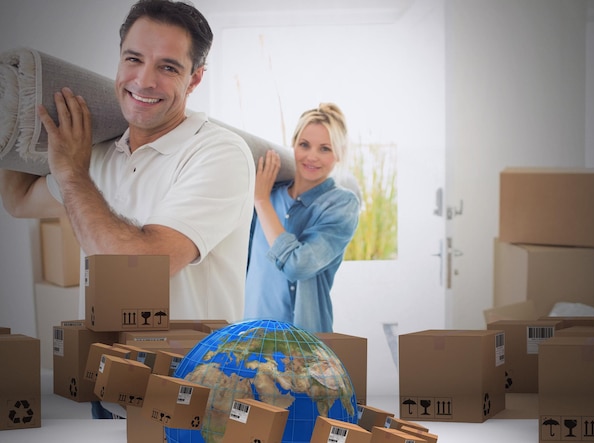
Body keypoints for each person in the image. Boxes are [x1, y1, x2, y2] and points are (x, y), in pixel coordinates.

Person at [0, 0, 255, 417]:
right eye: (133, 59)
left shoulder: (219, 153)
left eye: (168, 67)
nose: (144, 80)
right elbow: (18, 202)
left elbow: (139, 262)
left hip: (190, 398)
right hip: (111, 388)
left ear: (195, 80)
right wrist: (12, 127)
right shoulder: (99, 155)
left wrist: (72, 174)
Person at [244, 103, 360, 333]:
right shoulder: (268, 193)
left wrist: (262, 202)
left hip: (300, 342)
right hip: (248, 333)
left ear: (339, 154)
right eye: (304, 145)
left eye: (325, 148)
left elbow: (298, 265)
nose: (312, 157)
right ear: (294, 145)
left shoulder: (341, 204)